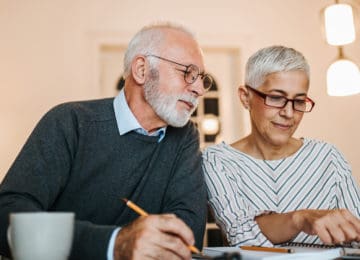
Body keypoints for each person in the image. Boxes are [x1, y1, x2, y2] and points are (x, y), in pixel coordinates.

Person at [0, 22, 212, 260]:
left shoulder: (184, 136)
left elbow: (186, 234)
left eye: (201, 78)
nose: (199, 89)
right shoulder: (70, 122)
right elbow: (7, 214)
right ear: (142, 70)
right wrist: (115, 244)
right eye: (188, 73)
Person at [202, 45, 360, 247]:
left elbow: (355, 237)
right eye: (276, 98)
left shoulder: (328, 156)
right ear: (245, 97)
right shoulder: (218, 160)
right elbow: (243, 237)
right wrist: (300, 218)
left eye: (299, 101)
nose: (288, 112)